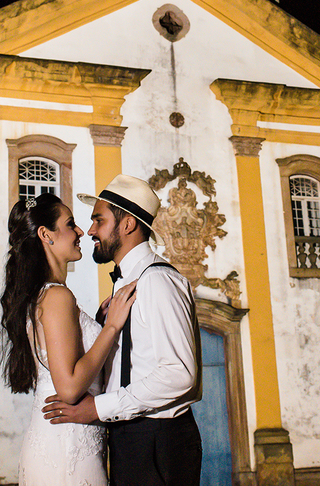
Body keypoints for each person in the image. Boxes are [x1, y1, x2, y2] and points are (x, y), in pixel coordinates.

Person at [43, 174, 203, 486]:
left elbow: (180, 373)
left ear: (127, 224)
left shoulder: (157, 281)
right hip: (133, 437)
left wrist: (97, 409)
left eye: (98, 221)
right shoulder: (126, 284)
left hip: (157, 442)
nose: (90, 231)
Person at [0, 192, 138, 486]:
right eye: (71, 224)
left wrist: (97, 326)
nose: (79, 232)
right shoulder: (57, 296)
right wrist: (111, 329)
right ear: (45, 235)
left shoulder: (45, 294)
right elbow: (70, 387)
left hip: (64, 441)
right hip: (67, 449)